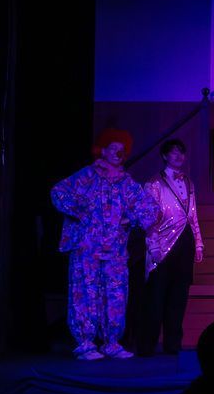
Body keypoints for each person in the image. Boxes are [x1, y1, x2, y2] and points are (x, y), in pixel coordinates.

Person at [51, 128, 160, 360]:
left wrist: (131, 219)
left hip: (115, 251)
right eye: (113, 148)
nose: (118, 153)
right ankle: (85, 343)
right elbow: (59, 192)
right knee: (85, 293)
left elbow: (150, 208)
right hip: (87, 248)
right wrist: (81, 211)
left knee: (115, 295)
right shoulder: (87, 176)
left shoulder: (126, 183)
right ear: (102, 151)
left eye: (122, 150)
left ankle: (111, 342)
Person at [138, 139, 204, 356]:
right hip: (163, 244)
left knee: (179, 296)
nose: (178, 156)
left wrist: (199, 243)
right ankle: (147, 346)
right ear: (165, 156)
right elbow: (148, 218)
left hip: (185, 242)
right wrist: (154, 247)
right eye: (173, 153)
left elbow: (193, 214)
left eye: (181, 153)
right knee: (156, 298)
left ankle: (173, 345)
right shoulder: (154, 183)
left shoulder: (189, 182)